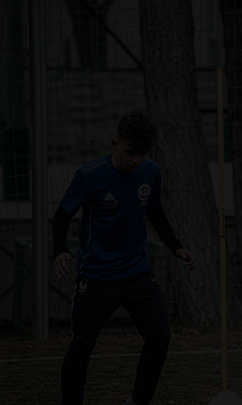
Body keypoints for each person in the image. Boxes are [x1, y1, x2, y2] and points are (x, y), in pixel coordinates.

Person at [52, 110, 196, 405]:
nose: (136, 160)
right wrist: (60, 250)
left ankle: (138, 401)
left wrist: (175, 246)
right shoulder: (90, 175)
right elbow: (63, 213)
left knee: (160, 334)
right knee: (81, 344)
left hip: (136, 275)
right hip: (95, 277)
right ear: (115, 144)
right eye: (131, 152)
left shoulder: (150, 171)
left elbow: (155, 211)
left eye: (142, 154)